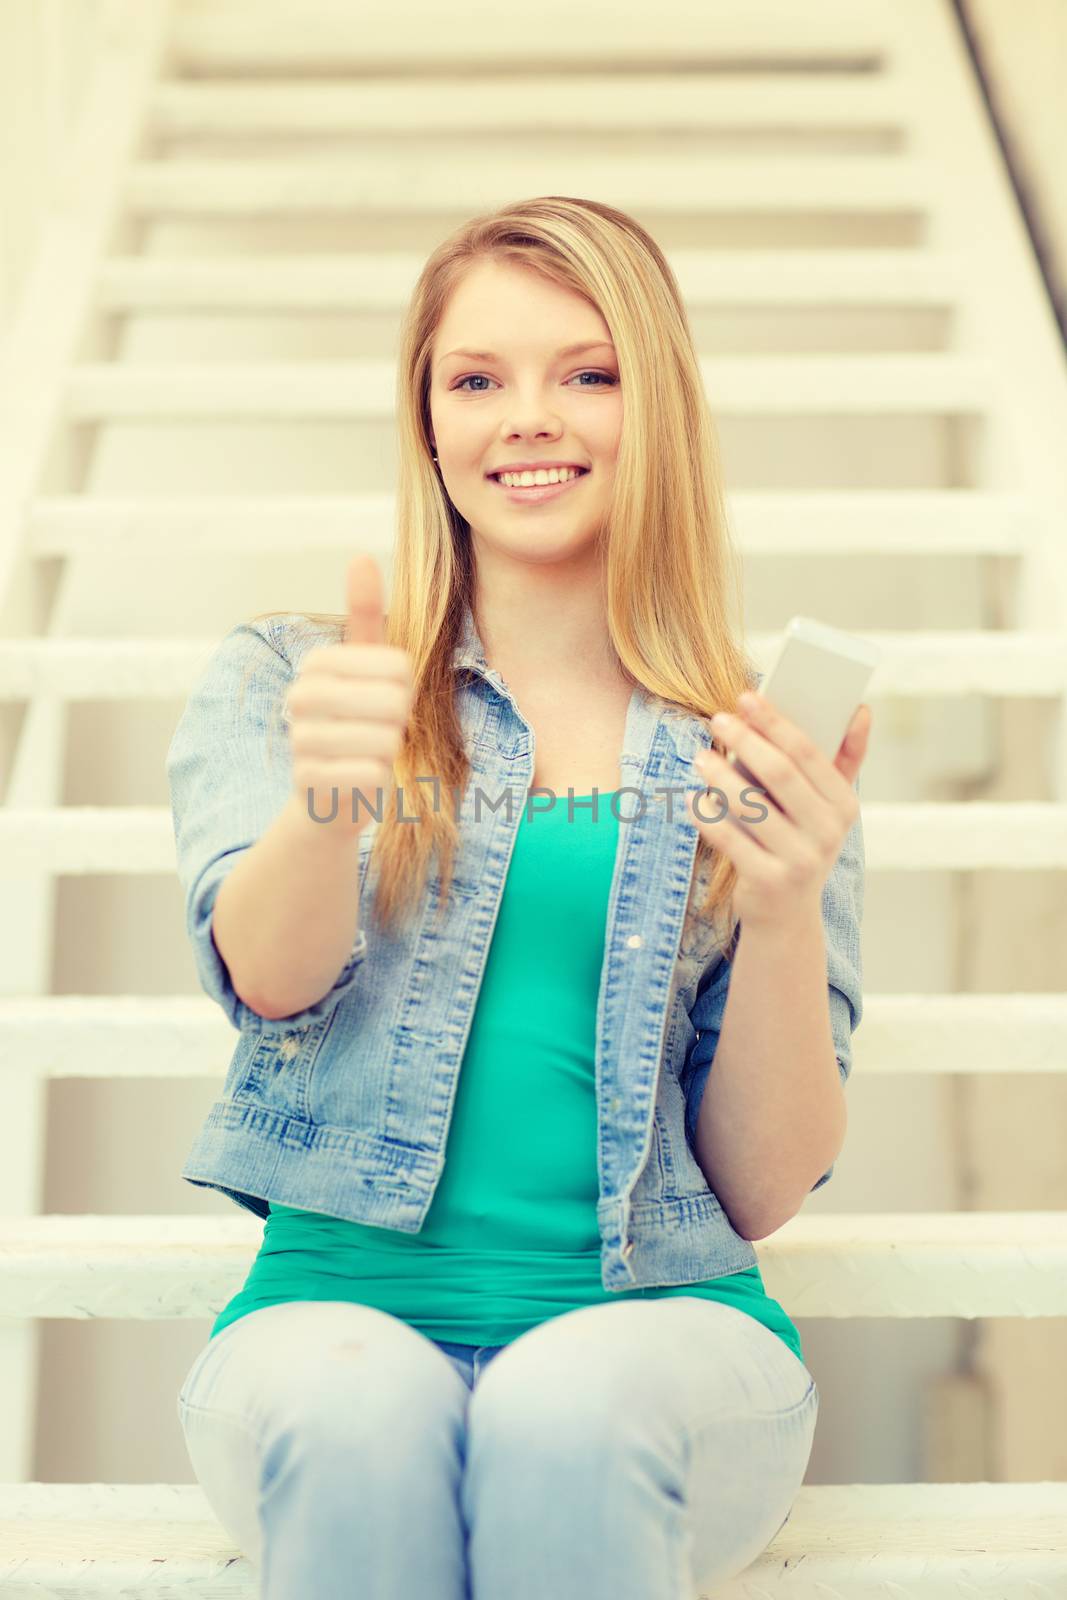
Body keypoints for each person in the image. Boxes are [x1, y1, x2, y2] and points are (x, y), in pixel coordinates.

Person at [168, 195, 869, 1599]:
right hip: (329, 1315)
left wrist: (785, 908)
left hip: (666, 1340)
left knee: (561, 1410)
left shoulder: (756, 747)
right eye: (476, 379)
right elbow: (268, 979)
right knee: (362, 1415)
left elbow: (765, 1184)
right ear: (427, 424)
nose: (527, 417)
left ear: (655, 405)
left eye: (587, 373)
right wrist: (331, 805)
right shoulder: (298, 680)